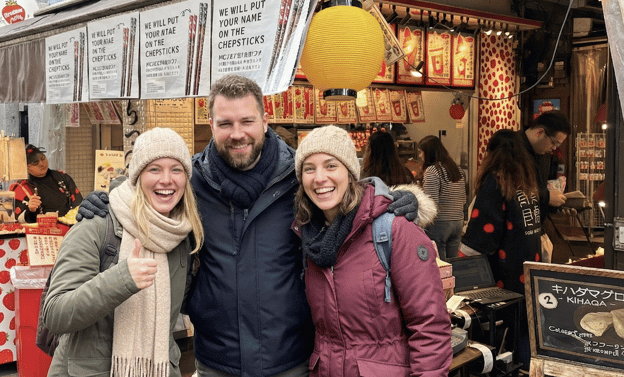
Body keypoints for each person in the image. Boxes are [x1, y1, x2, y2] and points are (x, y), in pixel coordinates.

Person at [78, 75, 420, 377]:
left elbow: (348, 192)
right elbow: (144, 191)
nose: (237, 134)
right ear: (210, 124)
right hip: (216, 358)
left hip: (290, 357)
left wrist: (390, 196)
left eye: (247, 121)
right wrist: (107, 200)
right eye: (225, 123)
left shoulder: (298, 179)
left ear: (265, 120)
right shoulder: (192, 182)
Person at [41, 127, 203, 377]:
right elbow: (55, 314)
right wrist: (122, 279)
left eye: (176, 169)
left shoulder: (182, 235)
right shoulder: (96, 224)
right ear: (137, 176)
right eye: (154, 169)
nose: (166, 180)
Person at [293, 125, 452, 376]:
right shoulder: (307, 236)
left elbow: (430, 327)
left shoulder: (393, 230)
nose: (319, 177)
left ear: (351, 171)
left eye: (331, 165)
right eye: (309, 169)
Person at [460, 129, 541, 367]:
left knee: (505, 333)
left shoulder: (496, 181)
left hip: (504, 275)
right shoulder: (525, 182)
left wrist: (459, 265)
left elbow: (482, 234)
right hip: (526, 267)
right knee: (524, 328)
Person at [418, 135, 467, 260]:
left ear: (428, 153)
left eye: (421, 152)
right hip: (457, 222)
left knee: (441, 264)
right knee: (454, 262)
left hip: (440, 223)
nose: (420, 156)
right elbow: (463, 198)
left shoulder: (432, 171)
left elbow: (431, 203)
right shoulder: (457, 169)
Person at [521, 110, 571, 219]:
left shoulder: (545, 155)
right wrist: (547, 197)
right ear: (540, 132)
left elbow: (540, 190)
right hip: (514, 231)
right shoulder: (509, 150)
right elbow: (509, 192)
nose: (554, 148)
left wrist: (558, 206)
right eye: (554, 143)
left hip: (537, 227)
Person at [12, 144, 82, 223]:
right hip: (41, 231)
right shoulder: (20, 187)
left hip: (70, 228)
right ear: (27, 167)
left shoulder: (62, 177)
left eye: (43, 158)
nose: (42, 164)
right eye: (35, 162)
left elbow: (79, 204)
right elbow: (17, 221)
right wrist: (30, 210)